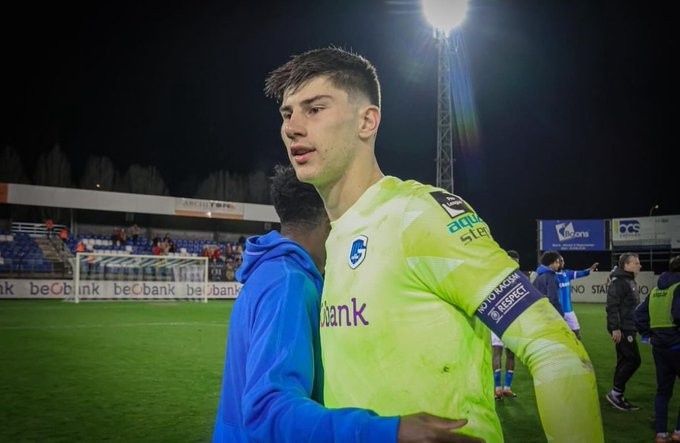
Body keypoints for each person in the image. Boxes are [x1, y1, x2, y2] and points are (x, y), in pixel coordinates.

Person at [265, 46, 604, 442]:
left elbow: (556, 350)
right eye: (287, 114)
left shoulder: (419, 215)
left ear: (367, 121)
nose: (292, 127)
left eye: (315, 109)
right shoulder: (335, 237)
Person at [212, 164, 477, 443]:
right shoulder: (288, 282)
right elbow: (267, 411)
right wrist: (388, 431)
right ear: (331, 219)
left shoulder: (271, 271)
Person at [635, 255, 680, 442]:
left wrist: (648, 335)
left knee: (663, 391)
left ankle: (661, 434)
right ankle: (678, 432)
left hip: (660, 348)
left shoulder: (655, 290)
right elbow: (678, 315)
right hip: (677, 344)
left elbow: (638, 314)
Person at [605, 252, 643, 411]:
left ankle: (616, 395)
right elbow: (612, 306)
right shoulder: (620, 282)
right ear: (626, 265)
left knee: (623, 360)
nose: (639, 265)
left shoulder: (628, 280)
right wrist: (615, 328)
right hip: (623, 328)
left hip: (628, 326)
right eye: (636, 262)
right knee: (633, 360)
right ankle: (616, 393)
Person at [491, 250, 520, 400]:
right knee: (497, 352)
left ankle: (507, 388)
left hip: (512, 321)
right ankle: (497, 389)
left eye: (516, 261)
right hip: (498, 319)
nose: (514, 264)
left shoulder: (519, 278)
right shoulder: (497, 276)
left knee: (510, 354)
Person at [556, 255, 598, 339]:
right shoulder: (549, 276)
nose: (562, 262)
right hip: (556, 312)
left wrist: (590, 269)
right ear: (555, 262)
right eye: (560, 261)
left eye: (563, 260)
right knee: (558, 336)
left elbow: (581, 273)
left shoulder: (567, 273)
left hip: (569, 311)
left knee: (577, 334)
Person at [532, 250, 564, 316]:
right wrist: (561, 314)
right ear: (550, 263)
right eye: (556, 262)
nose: (558, 265)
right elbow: (553, 298)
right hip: (549, 313)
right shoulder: (551, 276)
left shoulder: (538, 275)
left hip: (537, 312)